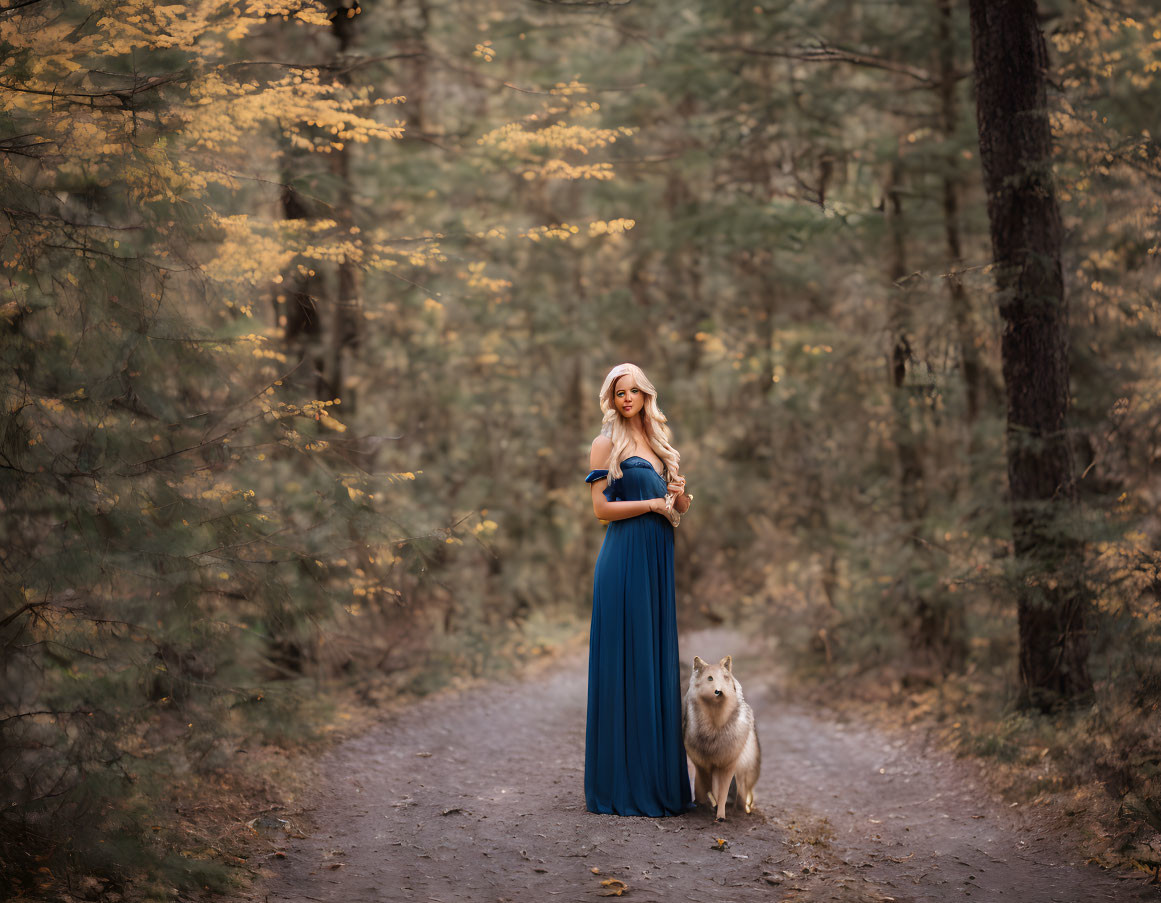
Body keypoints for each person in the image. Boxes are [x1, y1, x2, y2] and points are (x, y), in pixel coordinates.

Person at [583, 362, 695, 816]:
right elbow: (600, 510)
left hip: (656, 564)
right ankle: (618, 786)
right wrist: (651, 503)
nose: (627, 398)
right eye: (619, 392)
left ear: (646, 395)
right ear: (612, 398)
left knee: (654, 664)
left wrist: (679, 494)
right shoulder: (605, 444)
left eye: (634, 391)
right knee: (625, 666)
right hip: (623, 562)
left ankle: (657, 781)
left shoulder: (661, 444)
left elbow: (679, 508)